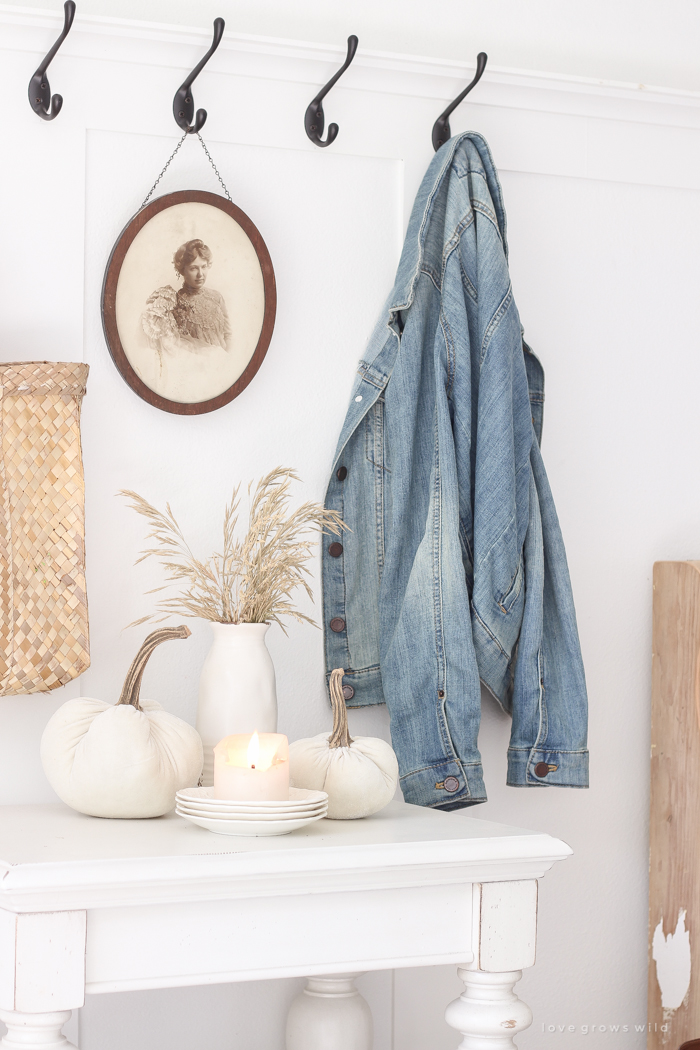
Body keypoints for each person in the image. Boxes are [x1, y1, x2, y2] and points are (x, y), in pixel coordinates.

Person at [141, 239, 232, 366]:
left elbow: (229, 334)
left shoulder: (217, 297)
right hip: (196, 369)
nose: (200, 274)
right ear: (182, 270)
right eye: (194, 268)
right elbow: (175, 350)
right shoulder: (173, 303)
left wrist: (228, 361)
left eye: (204, 267)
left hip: (224, 365)